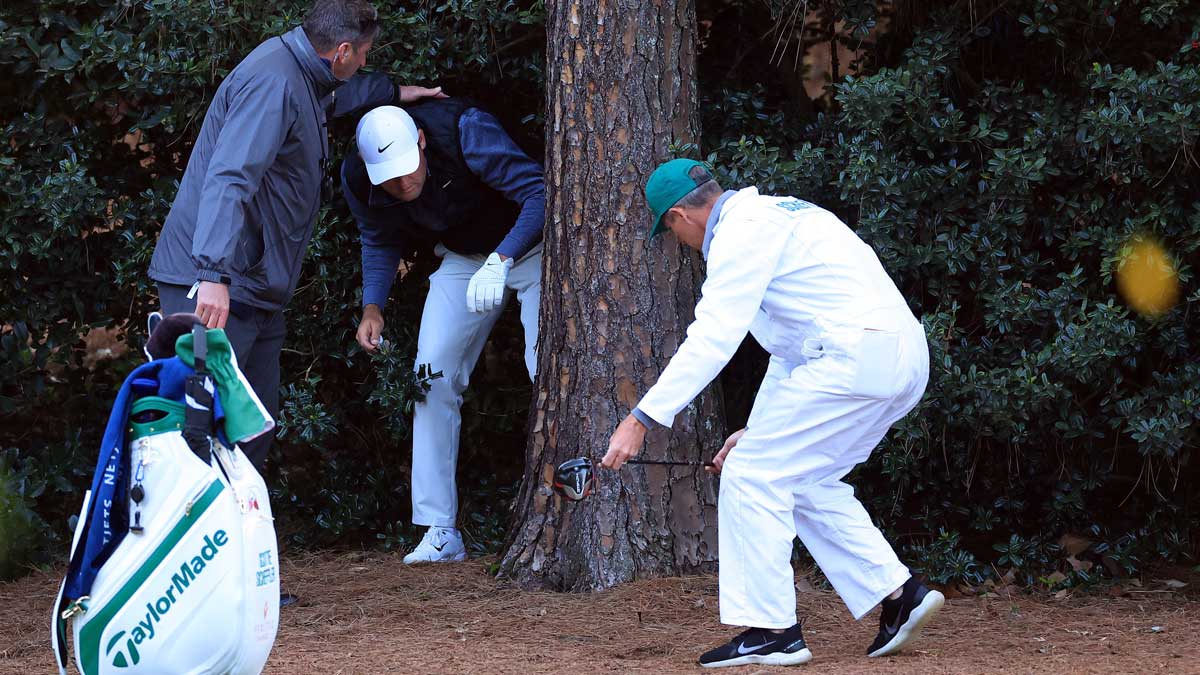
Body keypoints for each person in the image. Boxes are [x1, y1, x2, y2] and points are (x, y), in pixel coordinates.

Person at [602, 159, 944, 668]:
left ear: (679, 216)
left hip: (850, 359)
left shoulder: (741, 234)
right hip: (897, 359)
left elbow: (714, 336)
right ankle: (899, 594)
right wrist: (756, 430)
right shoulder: (779, 215)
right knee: (804, 480)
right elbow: (789, 350)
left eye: (670, 232)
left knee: (753, 474)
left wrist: (641, 418)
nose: (680, 243)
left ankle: (772, 631)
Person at [148, 0, 443, 471]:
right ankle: (181, 542)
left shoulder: (306, 76)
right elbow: (230, 177)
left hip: (254, 288)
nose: (366, 60)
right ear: (341, 50)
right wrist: (212, 274)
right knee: (197, 433)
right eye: (364, 53)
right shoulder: (274, 83)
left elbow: (341, 97)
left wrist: (397, 93)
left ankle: (238, 542)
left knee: (251, 431)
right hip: (213, 286)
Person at [342, 100, 544, 564]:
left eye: (407, 169)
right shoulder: (360, 177)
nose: (402, 184)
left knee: (547, 369)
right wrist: (373, 306)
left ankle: (569, 500)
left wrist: (504, 257)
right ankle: (440, 530)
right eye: (389, 178)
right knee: (429, 377)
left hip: (530, 250)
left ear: (421, 141)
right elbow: (378, 238)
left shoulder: (466, 131)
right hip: (463, 260)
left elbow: (538, 193)